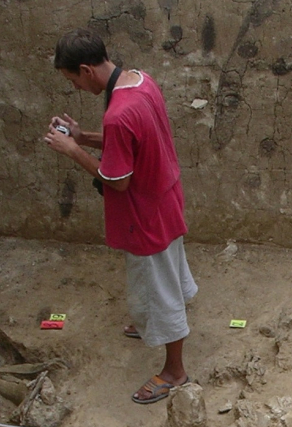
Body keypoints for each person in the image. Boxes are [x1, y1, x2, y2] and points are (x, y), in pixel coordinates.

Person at [45, 28, 196, 404]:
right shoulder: (141, 82)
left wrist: (71, 150)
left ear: (85, 69)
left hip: (143, 211)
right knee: (166, 273)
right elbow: (130, 142)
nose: (77, 88)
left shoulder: (118, 113)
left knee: (157, 286)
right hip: (164, 196)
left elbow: (117, 181)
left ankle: (174, 371)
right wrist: (83, 136)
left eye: (73, 80)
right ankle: (152, 320)